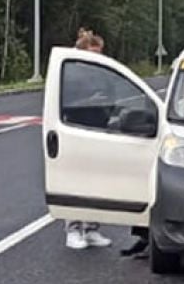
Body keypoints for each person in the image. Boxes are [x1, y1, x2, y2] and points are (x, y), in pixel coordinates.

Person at [62, 29, 114, 250]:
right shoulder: (69, 74)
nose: (97, 57)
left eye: (99, 53)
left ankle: (92, 228)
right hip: (74, 132)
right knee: (74, 183)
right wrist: (88, 100)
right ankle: (73, 229)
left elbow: (113, 97)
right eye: (93, 53)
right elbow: (63, 101)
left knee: (96, 183)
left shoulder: (103, 73)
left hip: (99, 132)